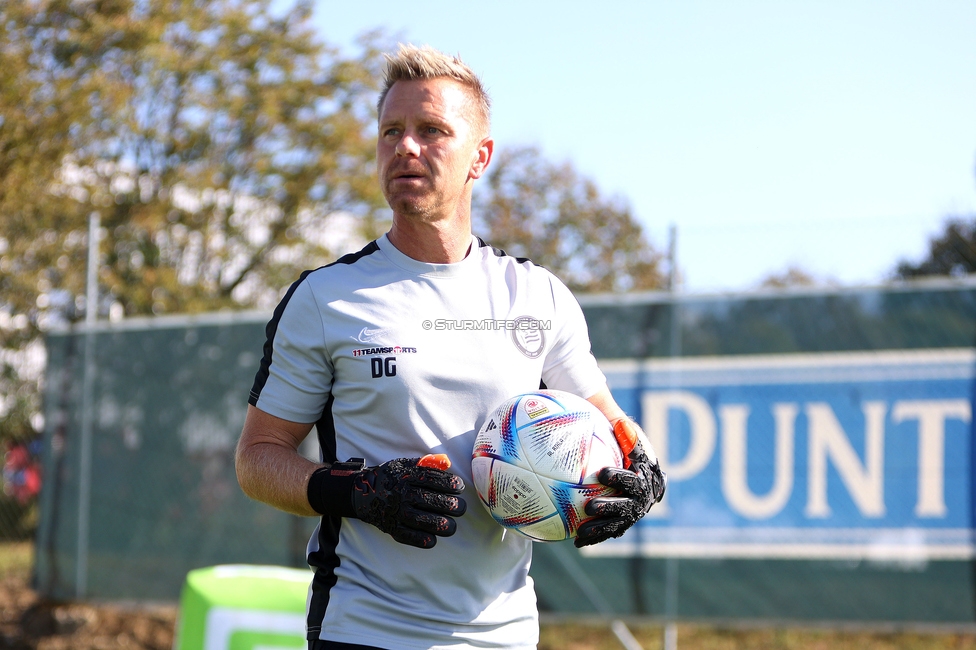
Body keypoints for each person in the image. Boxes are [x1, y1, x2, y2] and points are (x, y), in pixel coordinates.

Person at [235, 43, 666, 650]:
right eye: (391, 131)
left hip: (505, 635)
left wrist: (642, 478)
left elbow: (610, 421)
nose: (405, 147)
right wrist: (357, 493)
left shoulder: (537, 296)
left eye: (432, 130)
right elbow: (257, 459)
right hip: (363, 629)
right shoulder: (325, 299)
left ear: (479, 157)